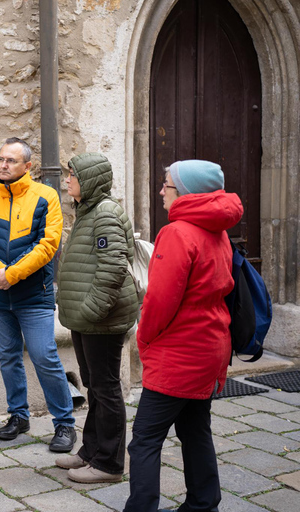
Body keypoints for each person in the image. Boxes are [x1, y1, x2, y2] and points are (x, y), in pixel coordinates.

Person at [123, 160, 243, 512]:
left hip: (180, 351)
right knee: (194, 430)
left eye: (167, 185)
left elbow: (160, 300)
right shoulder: (215, 228)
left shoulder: (178, 232)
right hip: (210, 345)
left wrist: (144, 338)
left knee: (144, 439)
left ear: (186, 192)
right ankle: (203, 503)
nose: (161, 191)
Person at [0, 137, 77, 451]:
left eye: (11, 161)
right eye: (1, 159)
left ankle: (65, 424)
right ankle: (18, 415)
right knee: (9, 357)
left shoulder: (46, 197)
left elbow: (48, 245)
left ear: (27, 166)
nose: (3, 165)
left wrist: (12, 274)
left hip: (34, 294)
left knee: (45, 356)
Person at [55, 153, 138, 483]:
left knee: (106, 388)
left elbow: (113, 268)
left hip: (101, 320)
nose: (67, 181)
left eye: (72, 175)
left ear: (89, 180)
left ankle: (109, 465)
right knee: (95, 387)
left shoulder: (104, 213)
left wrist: (92, 310)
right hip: (86, 320)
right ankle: (90, 452)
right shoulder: (87, 210)